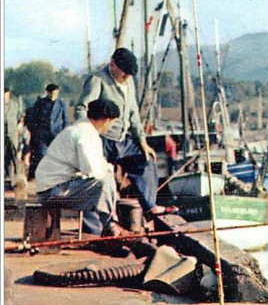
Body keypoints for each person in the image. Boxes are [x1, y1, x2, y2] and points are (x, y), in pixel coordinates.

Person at [75, 47, 172, 219]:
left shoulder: (129, 82)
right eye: (124, 74)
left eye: (129, 75)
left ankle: (150, 206)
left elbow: (133, 113)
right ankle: (96, 226)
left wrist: (142, 141)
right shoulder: (98, 80)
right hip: (102, 139)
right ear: (112, 64)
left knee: (146, 162)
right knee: (96, 178)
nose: (126, 78)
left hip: (123, 139)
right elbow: (82, 108)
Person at [35, 98, 124, 240]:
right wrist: (109, 174)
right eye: (113, 122)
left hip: (52, 187)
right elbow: (91, 170)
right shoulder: (86, 134)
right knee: (104, 180)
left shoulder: (80, 128)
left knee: (105, 177)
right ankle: (111, 226)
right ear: (107, 120)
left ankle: (109, 225)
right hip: (54, 190)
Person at [26, 83, 67, 178]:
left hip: (57, 134)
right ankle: (38, 176)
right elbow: (32, 118)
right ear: (47, 93)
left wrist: (64, 132)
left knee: (57, 157)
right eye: (51, 94)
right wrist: (35, 131)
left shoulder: (61, 104)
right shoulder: (40, 103)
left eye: (55, 94)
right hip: (42, 135)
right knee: (41, 155)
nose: (53, 96)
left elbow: (66, 119)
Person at [4, 87, 22, 185]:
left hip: (12, 133)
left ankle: (17, 175)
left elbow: (19, 117)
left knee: (14, 155)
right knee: (4, 155)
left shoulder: (15, 105)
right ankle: (7, 176)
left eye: (5, 95)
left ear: (9, 95)